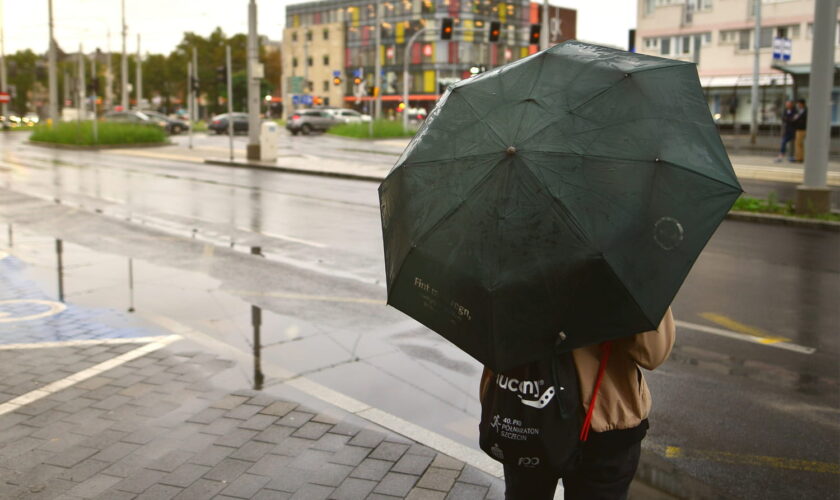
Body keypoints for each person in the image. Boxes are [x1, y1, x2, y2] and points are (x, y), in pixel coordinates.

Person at [481, 309, 676, 500]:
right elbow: (652, 353)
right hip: (604, 419)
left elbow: (484, 332)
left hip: (525, 410)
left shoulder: (510, 276)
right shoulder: (623, 277)